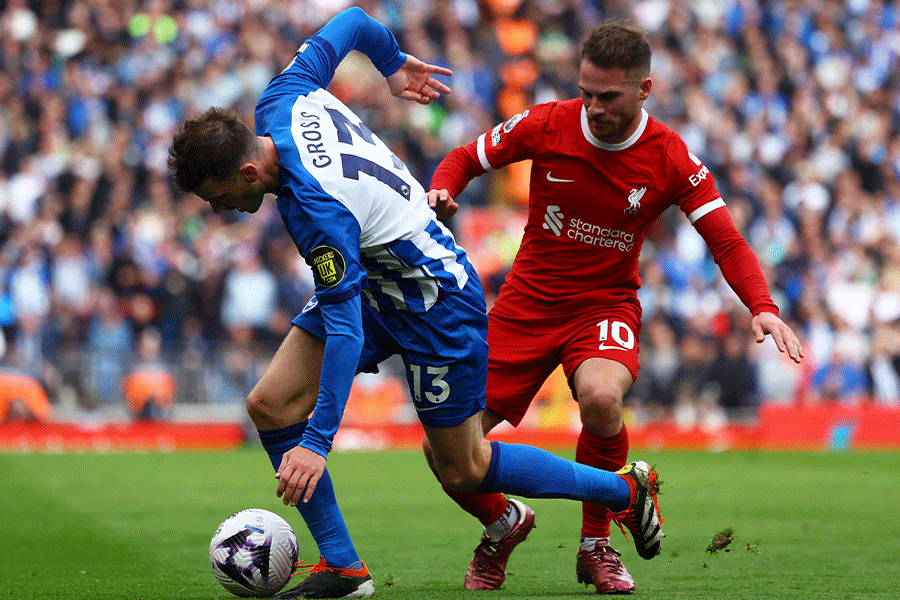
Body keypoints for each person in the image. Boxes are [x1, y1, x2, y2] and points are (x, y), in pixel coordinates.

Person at [168, 8, 663, 600]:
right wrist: (393, 64)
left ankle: (625, 494)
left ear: (249, 170)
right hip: (381, 280)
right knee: (271, 405)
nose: (222, 211)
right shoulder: (284, 96)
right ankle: (345, 569)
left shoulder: (315, 212)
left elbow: (346, 333)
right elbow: (351, 21)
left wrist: (319, 442)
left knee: (466, 468)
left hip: (435, 302)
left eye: (222, 197)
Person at [425, 19, 804, 595]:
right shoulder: (547, 122)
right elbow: (464, 157)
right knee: (443, 451)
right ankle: (502, 522)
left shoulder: (670, 157)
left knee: (602, 398)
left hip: (604, 306)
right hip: (525, 306)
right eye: (586, 92)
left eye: (609, 96)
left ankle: (595, 546)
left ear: (644, 90)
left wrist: (762, 305)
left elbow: (725, 239)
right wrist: (441, 189)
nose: (594, 107)